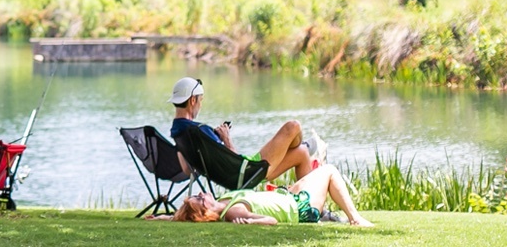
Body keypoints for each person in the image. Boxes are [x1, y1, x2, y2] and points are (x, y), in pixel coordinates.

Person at [169, 77, 325, 183]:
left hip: (237, 175)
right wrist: (226, 138)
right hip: (247, 172)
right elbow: (234, 162)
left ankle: (312, 209)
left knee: (302, 154)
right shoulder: (199, 130)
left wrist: (215, 142)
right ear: (193, 100)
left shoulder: (179, 132)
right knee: (293, 126)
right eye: (200, 101)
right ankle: (299, 145)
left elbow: (187, 170)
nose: (200, 105)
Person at [160, 164, 374, 227]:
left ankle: (336, 216)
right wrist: (254, 223)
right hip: (300, 209)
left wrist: (168, 217)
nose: (199, 193)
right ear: (205, 212)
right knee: (329, 170)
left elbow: (189, 217)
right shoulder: (233, 211)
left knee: (310, 164)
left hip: (289, 196)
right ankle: (355, 219)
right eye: (199, 199)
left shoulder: (224, 203)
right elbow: (270, 220)